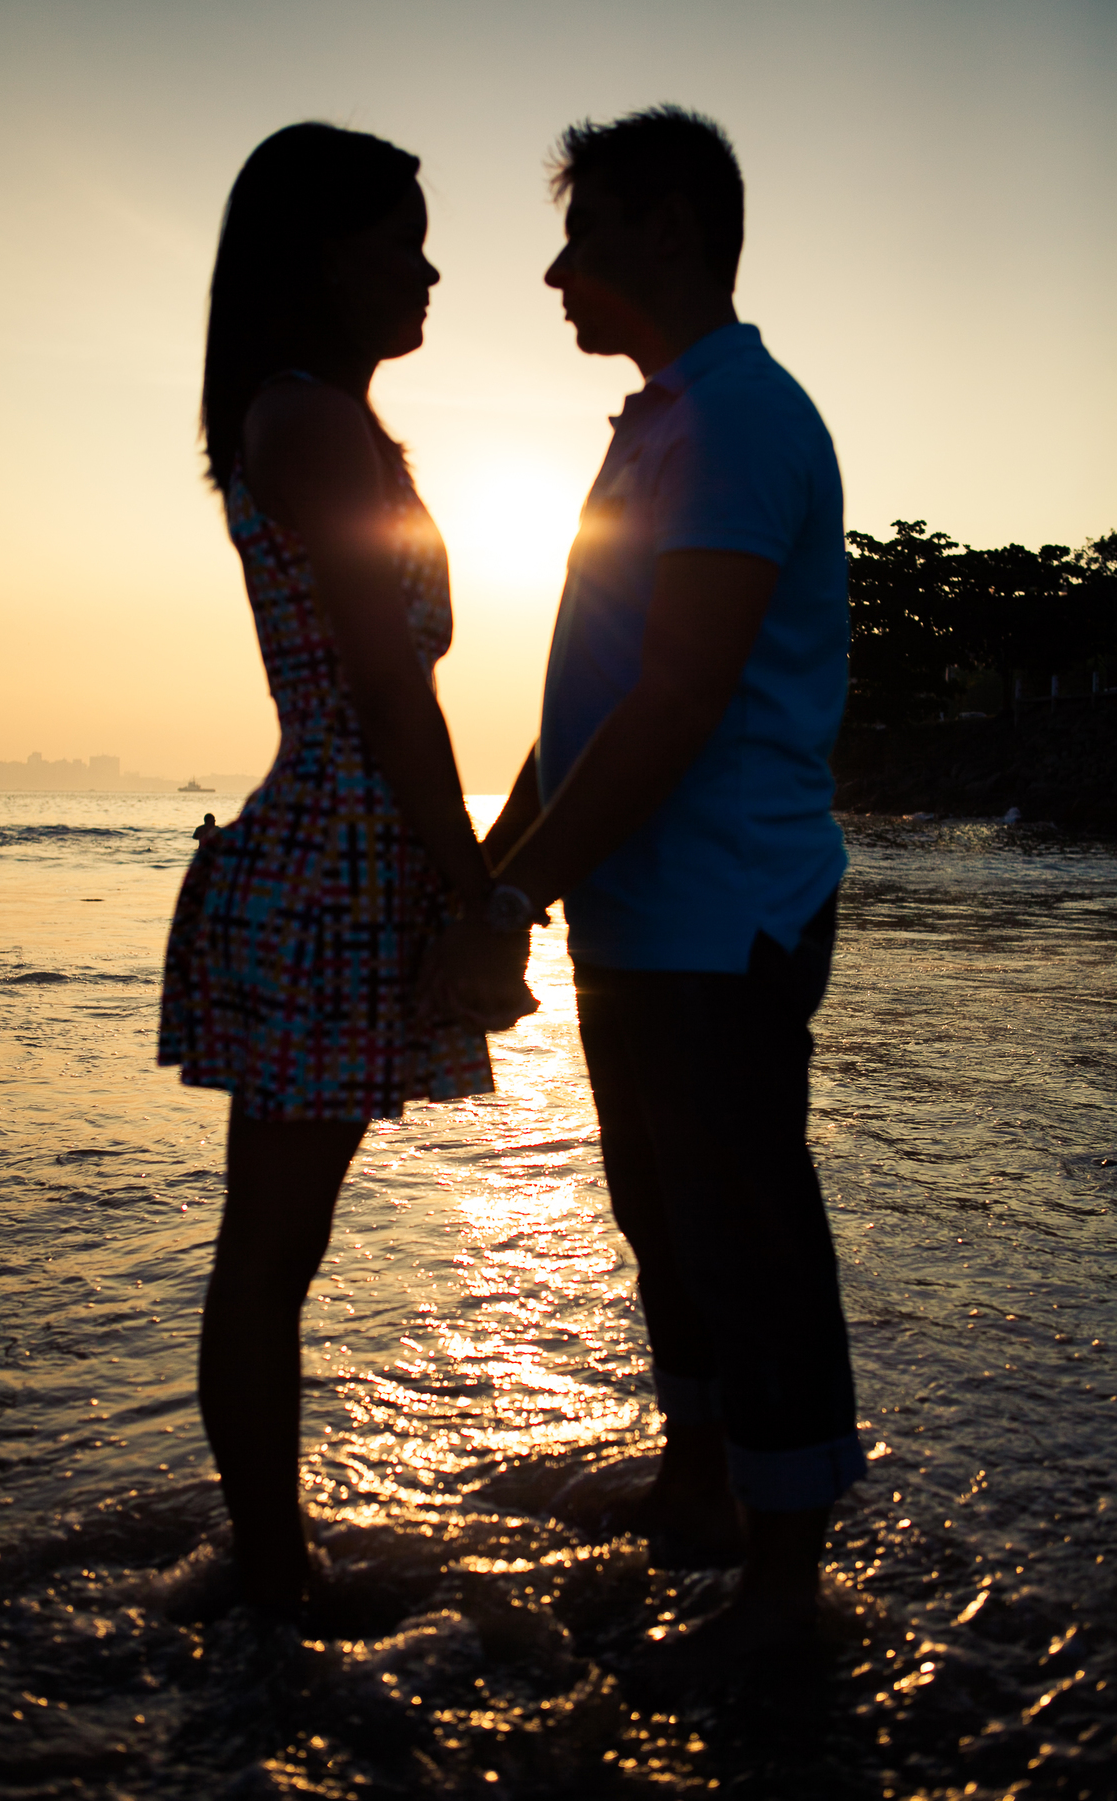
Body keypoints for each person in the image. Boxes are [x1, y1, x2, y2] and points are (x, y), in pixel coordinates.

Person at [427, 106, 866, 1659]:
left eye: (588, 229)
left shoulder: (746, 420)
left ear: (673, 228)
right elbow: (588, 701)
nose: (559, 269)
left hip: (723, 910)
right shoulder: (657, 426)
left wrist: (511, 897)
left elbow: (678, 702)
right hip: (640, 913)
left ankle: (787, 1580)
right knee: (659, 1215)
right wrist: (499, 865)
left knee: (747, 1226)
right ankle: (700, 1480)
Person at [158, 122, 532, 1615]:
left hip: (345, 853)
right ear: (322, 257)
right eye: (401, 238)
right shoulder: (306, 419)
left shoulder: (337, 423)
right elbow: (388, 687)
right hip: (330, 865)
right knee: (272, 1245)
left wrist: (463, 876)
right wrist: (482, 893)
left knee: (280, 1238)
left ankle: (265, 1558)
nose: (428, 265)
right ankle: (268, 1565)